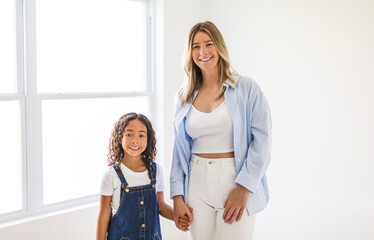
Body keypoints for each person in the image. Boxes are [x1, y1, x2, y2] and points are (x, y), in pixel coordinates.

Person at [170, 21, 272, 240]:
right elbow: (178, 151)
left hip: (233, 180)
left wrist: (244, 188)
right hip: (196, 182)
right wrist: (177, 197)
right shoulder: (183, 96)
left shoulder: (247, 88)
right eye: (196, 46)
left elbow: (262, 142)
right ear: (190, 53)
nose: (203, 52)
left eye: (209, 44)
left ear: (219, 47)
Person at [96, 112, 188, 240]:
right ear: (119, 137)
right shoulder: (111, 175)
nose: (135, 140)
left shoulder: (156, 171)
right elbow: (104, 216)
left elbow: (160, 205)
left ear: (148, 139)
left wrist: (178, 217)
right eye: (129, 134)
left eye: (141, 135)